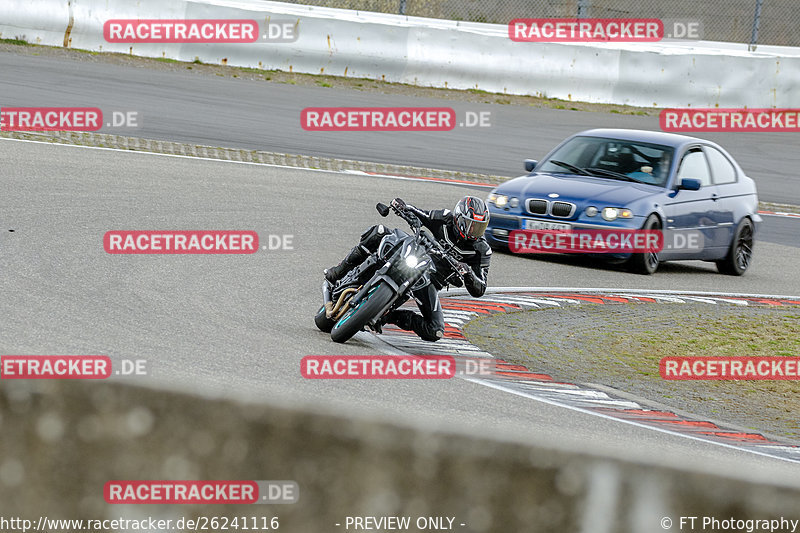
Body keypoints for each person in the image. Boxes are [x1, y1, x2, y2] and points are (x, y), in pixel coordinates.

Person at [324, 196, 492, 342]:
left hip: (429, 281)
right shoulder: (446, 218)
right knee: (380, 232)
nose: (475, 231)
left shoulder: (482, 250)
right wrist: (403, 207)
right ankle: (340, 270)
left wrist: (468, 274)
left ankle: (386, 316)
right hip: (416, 252)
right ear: (459, 219)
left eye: (479, 227)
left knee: (436, 330)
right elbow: (421, 214)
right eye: (471, 225)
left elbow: (480, 288)